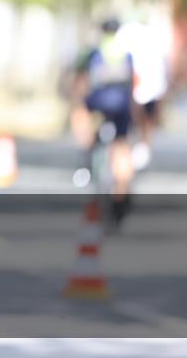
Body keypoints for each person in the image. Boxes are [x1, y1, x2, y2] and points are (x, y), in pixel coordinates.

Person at [70, 17, 136, 227]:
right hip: (121, 107)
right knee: (122, 147)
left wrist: (78, 103)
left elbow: (80, 81)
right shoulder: (126, 55)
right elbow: (132, 86)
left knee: (82, 119)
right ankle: (122, 196)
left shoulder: (94, 52)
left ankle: (84, 162)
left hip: (98, 104)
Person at [116, 17, 169, 171]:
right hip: (145, 89)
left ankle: (139, 151)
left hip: (142, 89)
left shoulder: (135, 38)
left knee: (139, 122)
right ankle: (140, 149)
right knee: (143, 122)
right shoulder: (151, 40)